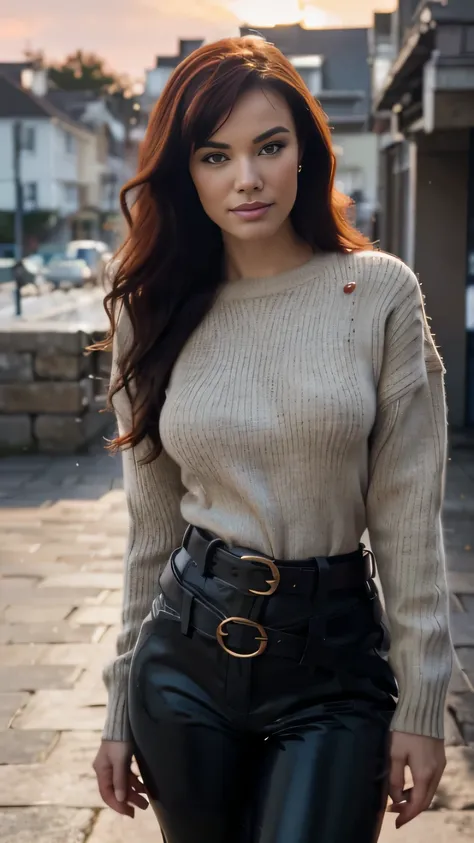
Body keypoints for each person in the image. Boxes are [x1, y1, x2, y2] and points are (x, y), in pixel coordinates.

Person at [92, 35, 453, 843]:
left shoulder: (379, 294)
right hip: (181, 664)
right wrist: (119, 701)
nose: (246, 178)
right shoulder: (150, 311)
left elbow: (408, 520)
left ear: (305, 155)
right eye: (215, 155)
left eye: (269, 147)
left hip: (333, 670)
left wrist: (425, 698)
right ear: (186, 172)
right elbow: (150, 527)